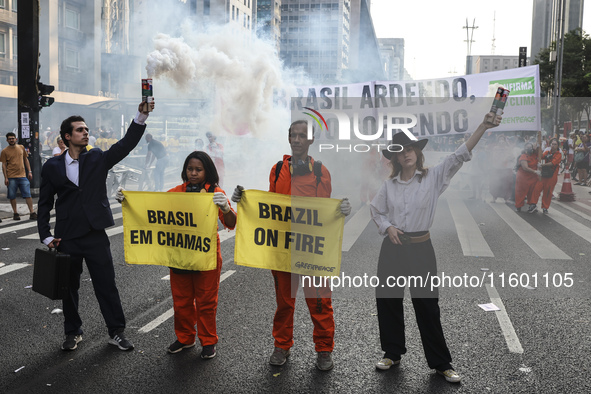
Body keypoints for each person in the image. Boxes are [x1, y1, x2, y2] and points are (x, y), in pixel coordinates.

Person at [370, 112, 502, 383]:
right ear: (394, 158)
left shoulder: (433, 177)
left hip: (420, 249)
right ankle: (392, 352)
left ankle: (441, 362)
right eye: (401, 151)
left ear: (418, 153)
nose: (406, 154)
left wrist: (483, 126)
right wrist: (388, 227)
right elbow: (377, 211)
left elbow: (459, 155)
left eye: (411, 149)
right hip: (392, 249)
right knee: (388, 301)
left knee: (427, 306)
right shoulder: (389, 185)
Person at [231, 120, 351, 371]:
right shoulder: (276, 170)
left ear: (310, 140)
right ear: (288, 139)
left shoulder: (320, 171)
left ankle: (324, 350)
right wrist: (244, 201)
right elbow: (269, 208)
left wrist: (341, 211)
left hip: (312, 251)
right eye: (293, 135)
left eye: (301, 136)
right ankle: (282, 345)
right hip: (283, 251)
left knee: (319, 302)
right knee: (285, 302)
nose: (296, 140)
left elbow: (325, 212)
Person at [37, 100, 155, 351]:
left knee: (106, 284)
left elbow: (125, 145)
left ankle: (116, 331)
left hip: (95, 234)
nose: (86, 132)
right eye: (80, 130)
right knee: (68, 287)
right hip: (66, 236)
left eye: (86, 129)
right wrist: (46, 236)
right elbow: (45, 202)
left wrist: (140, 117)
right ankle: (73, 332)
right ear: (67, 136)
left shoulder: (97, 158)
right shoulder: (52, 167)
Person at [0, 132, 37, 221]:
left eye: (13, 138)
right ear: (7, 140)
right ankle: (15, 213)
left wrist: (30, 171)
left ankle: (32, 212)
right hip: (11, 176)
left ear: (16, 139)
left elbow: (25, 159)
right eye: (10, 139)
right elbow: (4, 165)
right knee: (12, 195)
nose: (11, 140)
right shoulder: (4, 151)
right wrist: (5, 177)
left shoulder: (21, 147)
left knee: (27, 194)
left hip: (22, 175)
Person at [530, 138, 562, 214]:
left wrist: (542, 165)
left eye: (555, 144)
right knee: (537, 188)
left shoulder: (558, 154)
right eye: (552, 144)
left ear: (558, 146)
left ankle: (545, 207)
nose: (553, 146)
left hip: (552, 176)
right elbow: (541, 156)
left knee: (547, 192)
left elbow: (552, 163)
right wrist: (539, 146)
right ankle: (533, 204)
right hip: (544, 174)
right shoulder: (547, 152)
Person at [514, 142, 541, 213]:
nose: (529, 149)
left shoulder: (535, 155)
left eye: (530, 147)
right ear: (524, 148)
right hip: (523, 177)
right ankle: (518, 206)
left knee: (533, 192)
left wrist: (538, 145)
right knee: (520, 192)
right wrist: (535, 171)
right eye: (527, 147)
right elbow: (525, 167)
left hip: (533, 178)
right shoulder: (523, 156)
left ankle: (532, 205)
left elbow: (540, 152)